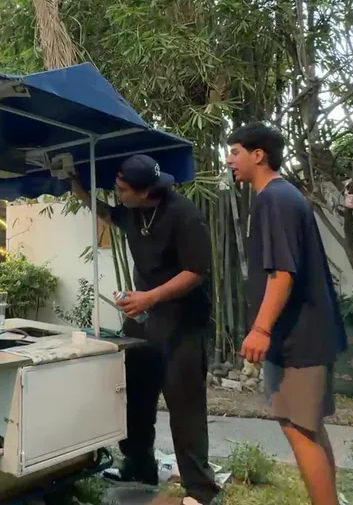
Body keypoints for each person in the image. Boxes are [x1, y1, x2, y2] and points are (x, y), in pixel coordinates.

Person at [72, 155, 219, 505]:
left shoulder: (184, 215)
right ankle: (139, 466)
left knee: (185, 407)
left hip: (183, 324)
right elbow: (107, 213)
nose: (117, 194)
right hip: (143, 322)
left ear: (146, 192)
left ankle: (200, 489)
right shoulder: (133, 210)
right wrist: (77, 188)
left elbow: (196, 271)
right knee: (135, 397)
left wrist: (149, 297)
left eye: (122, 190)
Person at [226, 123, 347, 505]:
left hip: (299, 339)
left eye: (235, 152)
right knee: (308, 429)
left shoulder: (274, 199)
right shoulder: (283, 195)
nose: (229, 160)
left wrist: (260, 329)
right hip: (303, 335)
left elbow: (282, 272)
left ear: (258, 155)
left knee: (300, 432)